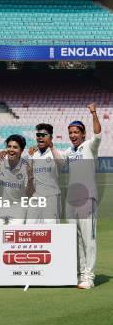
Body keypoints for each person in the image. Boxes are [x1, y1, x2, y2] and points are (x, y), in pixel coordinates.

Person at [63, 104, 101, 289]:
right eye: (70, 132)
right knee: (75, 239)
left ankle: (89, 277)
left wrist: (93, 113)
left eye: (76, 131)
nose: (73, 135)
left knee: (88, 239)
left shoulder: (89, 146)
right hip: (72, 199)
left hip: (87, 199)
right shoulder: (70, 151)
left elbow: (99, 135)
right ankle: (79, 274)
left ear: (83, 134)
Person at [0, 135, 34, 226]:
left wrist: (30, 179)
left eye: (15, 147)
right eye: (9, 146)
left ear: (22, 150)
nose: (11, 149)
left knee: (14, 238)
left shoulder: (27, 167)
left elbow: (29, 194)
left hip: (17, 207)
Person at [26, 123, 63, 224]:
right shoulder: (33, 154)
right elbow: (28, 175)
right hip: (35, 197)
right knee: (30, 229)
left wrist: (52, 147)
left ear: (50, 137)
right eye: (38, 135)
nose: (40, 138)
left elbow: (62, 164)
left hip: (51, 197)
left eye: (44, 135)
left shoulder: (56, 152)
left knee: (52, 231)